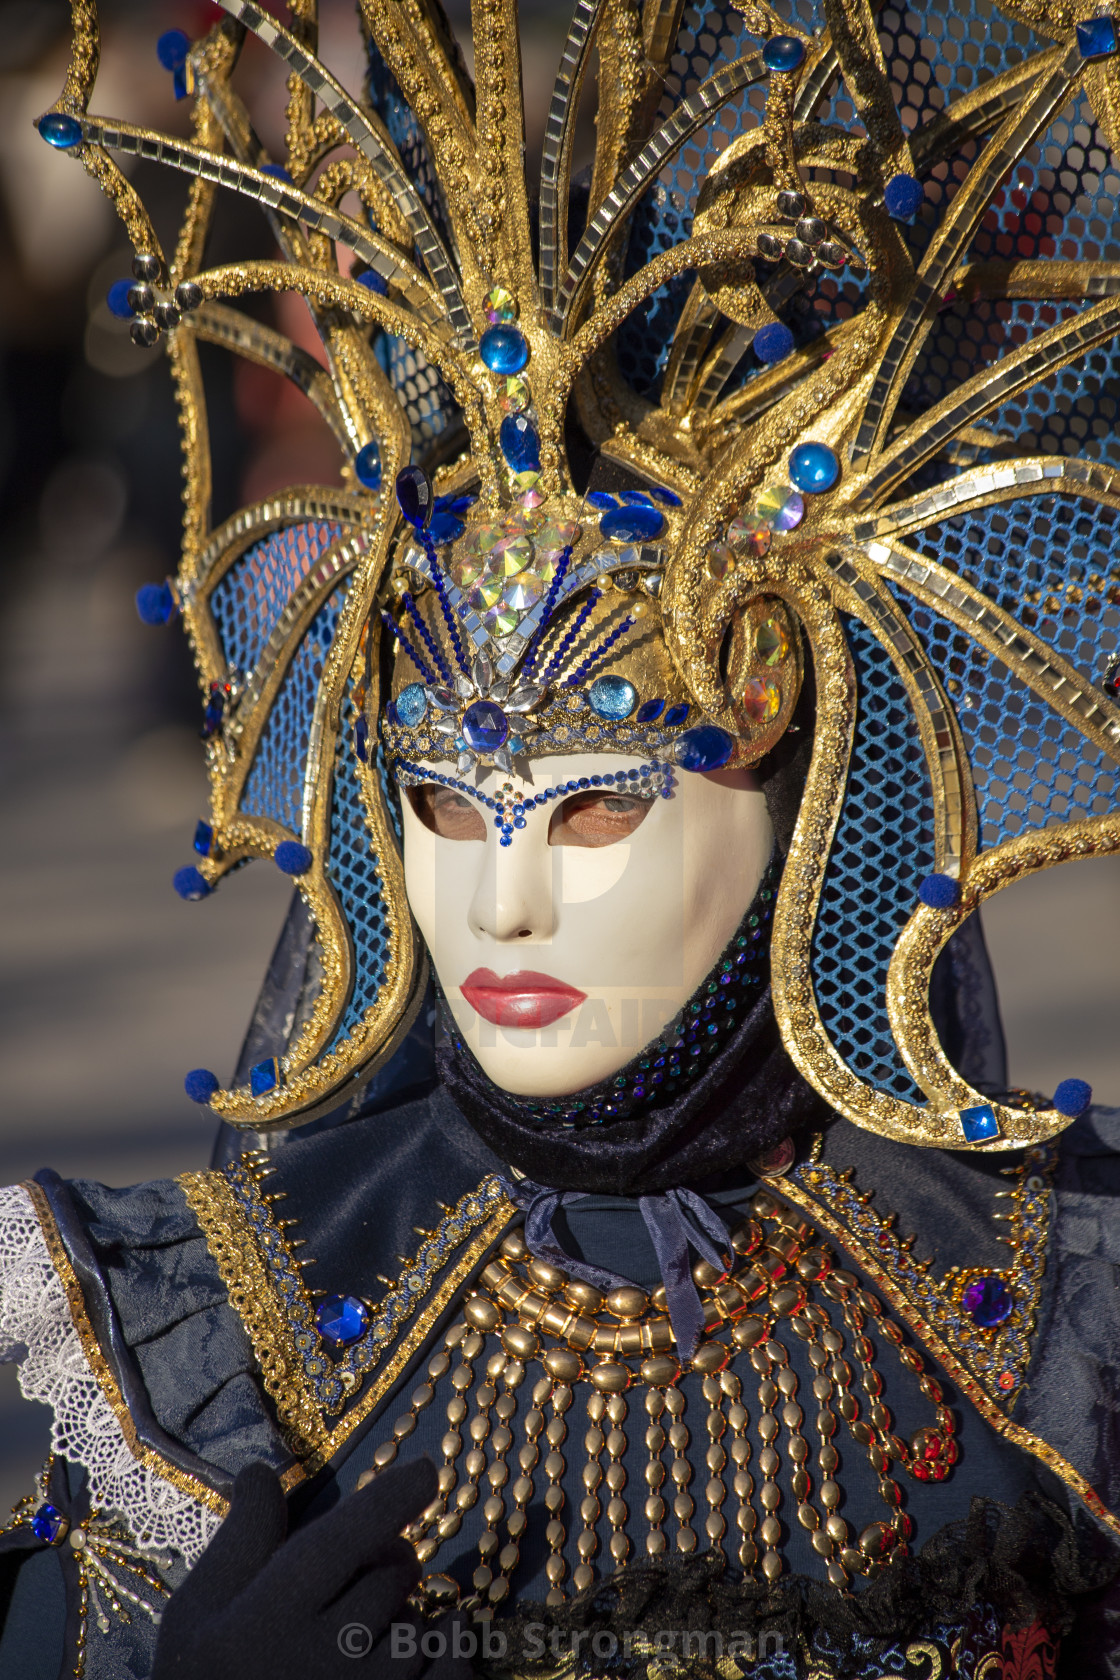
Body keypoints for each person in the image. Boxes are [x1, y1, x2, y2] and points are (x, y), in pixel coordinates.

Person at [3, 0, 1120, 1674]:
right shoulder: (241, 1343)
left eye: (598, 803)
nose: (503, 904)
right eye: (444, 809)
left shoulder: (1052, 1330)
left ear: (807, 805)